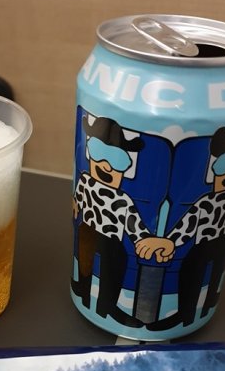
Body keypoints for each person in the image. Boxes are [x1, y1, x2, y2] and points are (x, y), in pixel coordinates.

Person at [147, 126, 225, 331]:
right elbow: (189, 224)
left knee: (210, 277)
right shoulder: (206, 201)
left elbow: (189, 224)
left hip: (220, 240)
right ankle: (186, 314)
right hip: (203, 243)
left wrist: (169, 242)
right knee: (191, 271)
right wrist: (171, 242)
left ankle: (198, 311)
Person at [72, 115, 173, 327]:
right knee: (85, 261)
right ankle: (82, 289)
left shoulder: (123, 199)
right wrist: (76, 204)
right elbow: (79, 195)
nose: (107, 167)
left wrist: (145, 239)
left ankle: (107, 305)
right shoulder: (85, 181)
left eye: (116, 161)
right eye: (99, 155)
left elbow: (133, 224)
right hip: (87, 229)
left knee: (117, 261)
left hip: (112, 238)